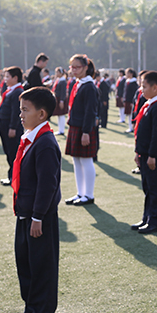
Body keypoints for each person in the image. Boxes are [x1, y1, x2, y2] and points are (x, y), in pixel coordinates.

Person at [11, 86, 60, 313]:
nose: (20, 114)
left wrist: (38, 216)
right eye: (20, 109)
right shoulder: (31, 138)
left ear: (41, 114)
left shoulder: (45, 143)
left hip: (39, 218)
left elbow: (47, 185)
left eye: (25, 110)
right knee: (26, 265)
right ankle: (31, 309)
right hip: (25, 214)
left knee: (42, 267)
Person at [130, 71, 157, 234]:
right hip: (145, 153)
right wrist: (138, 152)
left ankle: (155, 221)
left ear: (155, 88)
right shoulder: (148, 104)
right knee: (147, 188)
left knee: (155, 188)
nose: (141, 89)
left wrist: (152, 155)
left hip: (154, 155)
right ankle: (147, 218)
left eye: (144, 86)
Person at [64, 55, 98, 206]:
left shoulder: (89, 86)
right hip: (75, 126)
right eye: (72, 67)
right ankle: (80, 193)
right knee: (76, 161)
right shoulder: (78, 83)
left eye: (77, 67)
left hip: (84, 128)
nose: (74, 70)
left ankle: (88, 195)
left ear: (85, 68)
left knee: (86, 160)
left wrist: (86, 132)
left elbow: (90, 111)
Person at [0, 66, 25, 186]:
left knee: (13, 152)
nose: (5, 79)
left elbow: (16, 112)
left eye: (7, 77)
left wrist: (13, 127)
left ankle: (15, 177)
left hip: (10, 126)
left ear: (15, 78)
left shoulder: (18, 92)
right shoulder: (11, 90)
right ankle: (12, 176)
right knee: (8, 151)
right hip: (5, 124)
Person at [51, 67, 68, 135]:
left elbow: (63, 92)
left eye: (57, 72)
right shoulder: (59, 80)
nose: (56, 74)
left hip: (60, 99)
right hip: (58, 99)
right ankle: (60, 130)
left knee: (61, 115)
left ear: (61, 73)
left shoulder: (63, 81)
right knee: (59, 115)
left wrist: (61, 101)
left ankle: (62, 130)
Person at [123, 68, 138, 133]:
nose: (126, 74)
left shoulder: (134, 82)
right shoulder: (127, 81)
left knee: (132, 114)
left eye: (128, 73)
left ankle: (132, 127)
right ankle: (130, 127)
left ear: (131, 74)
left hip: (131, 101)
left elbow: (134, 93)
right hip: (127, 100)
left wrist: (133, 102)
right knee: (128, 114)